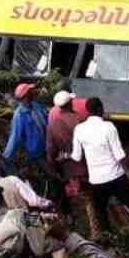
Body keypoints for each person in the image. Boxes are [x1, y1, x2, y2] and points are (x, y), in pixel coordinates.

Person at [72, 97, 129, 233]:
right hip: (116, 177)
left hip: (96, 181)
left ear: (88, 111)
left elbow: (76, 157)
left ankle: (110, 241)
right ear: (101, 109)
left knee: (102, 214)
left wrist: (65, 155)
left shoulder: (79, 129)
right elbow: (121, 156)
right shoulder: (109, 127)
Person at [46, 91, 98, 238]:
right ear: (70, 103)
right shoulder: (80, 119)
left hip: (70, 168)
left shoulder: (52, 124)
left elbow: (50, 150)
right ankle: (96, 231)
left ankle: (82, 225)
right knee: (93, 197)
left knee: (85, 196)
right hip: (87, 164)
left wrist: (54, 167)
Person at [3, 83, 48, 167]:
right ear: (25, 96)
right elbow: (14, 138)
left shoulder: (36, 106)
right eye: (30, 91)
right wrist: (5, 158)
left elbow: (46, 122)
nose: (33, 92)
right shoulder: (19, 115)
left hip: (46, 147)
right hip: (35, 153)